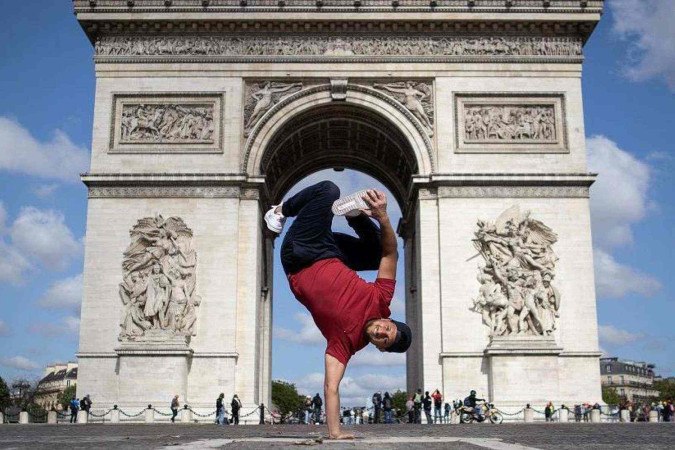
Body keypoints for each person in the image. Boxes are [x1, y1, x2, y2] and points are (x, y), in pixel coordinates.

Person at [264, 181, 413, 439]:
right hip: (330, 250)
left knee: (328, 191)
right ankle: (355, 216)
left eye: (383, 340)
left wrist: (335, 432)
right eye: (387, 328)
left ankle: (280, 211)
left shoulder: (346, 344)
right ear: (388, 319)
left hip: (300, 254)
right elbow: (390, 255)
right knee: (378, 250)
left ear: (380, 348)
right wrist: (383, 217)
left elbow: (331, 387)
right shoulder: (381, 299)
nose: (380, 332)